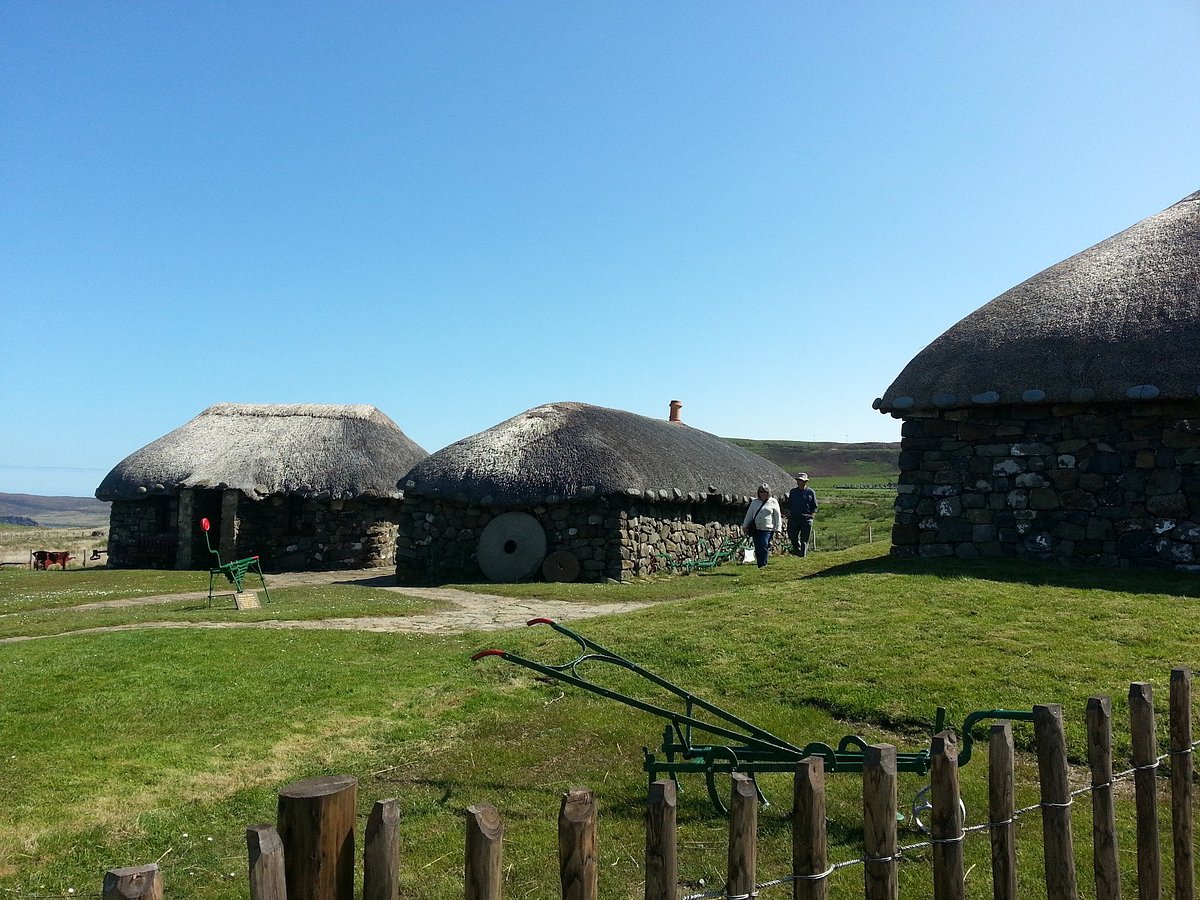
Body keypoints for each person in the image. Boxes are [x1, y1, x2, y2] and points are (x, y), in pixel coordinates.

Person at [742, 484, 782, 568]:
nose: (763, 493)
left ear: (768, 492)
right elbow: (749, 514)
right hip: (756, 529)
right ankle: (760, 564)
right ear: (758, 493)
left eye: (765, 492)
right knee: (758, 547)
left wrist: (778, 529)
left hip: (767, 529)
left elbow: (777, 516)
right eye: (761, 492)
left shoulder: (773, 502)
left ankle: (763, 564)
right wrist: (745, 525)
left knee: (763, 545)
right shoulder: (754, 502)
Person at [786, 472, 818, 556]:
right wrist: (789, 514)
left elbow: (814, 506)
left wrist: (811, 517)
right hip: (794, 518)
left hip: (806, 519)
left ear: (805, 482)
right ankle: (798, 550)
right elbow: (789, 504)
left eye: (801, 480)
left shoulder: (810, 492)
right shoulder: (793, 492)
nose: (799, 482)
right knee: (793, 537)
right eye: (798, 480)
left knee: (804, 539)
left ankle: (802, 555)